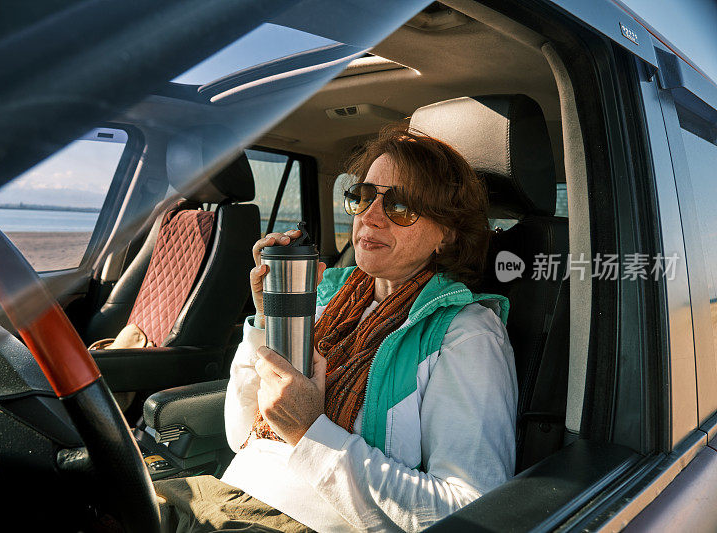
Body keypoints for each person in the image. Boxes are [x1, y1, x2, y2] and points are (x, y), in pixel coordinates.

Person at [155, 125, 518, 532]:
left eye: (401, 207)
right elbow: (243, 436)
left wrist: (311, 433)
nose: (371, 216)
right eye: (363, 196)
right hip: (223, 500)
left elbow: (469, 513)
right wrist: (269, 321)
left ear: (447, 233)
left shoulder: (465, 334)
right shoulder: (329, 295)